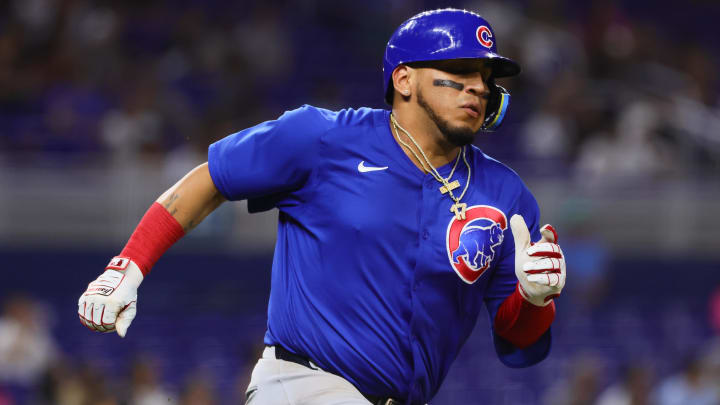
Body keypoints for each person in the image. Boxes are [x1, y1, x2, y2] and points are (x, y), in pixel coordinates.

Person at [78, 8, 567, 405]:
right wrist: (130, 265)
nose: (478, 87)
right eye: (459, 72)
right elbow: (213, 179)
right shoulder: (323, 137)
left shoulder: (505, 195)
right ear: (404, 80)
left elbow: (519, 340)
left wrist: (535, 299)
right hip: (305, 387)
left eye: (484, 77)